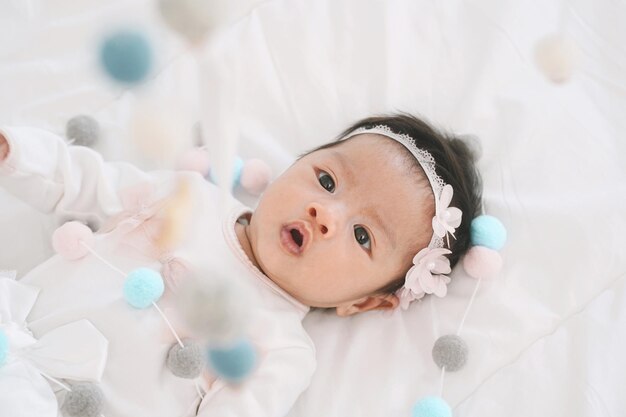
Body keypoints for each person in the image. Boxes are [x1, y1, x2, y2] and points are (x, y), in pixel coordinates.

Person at [0, 113, 482, 416]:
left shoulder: (281, 350)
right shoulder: (190, 197)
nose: (325, 213)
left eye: (362, 235)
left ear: (366, 302)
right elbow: (83, 183)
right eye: (327, 180)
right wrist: (18, 154)